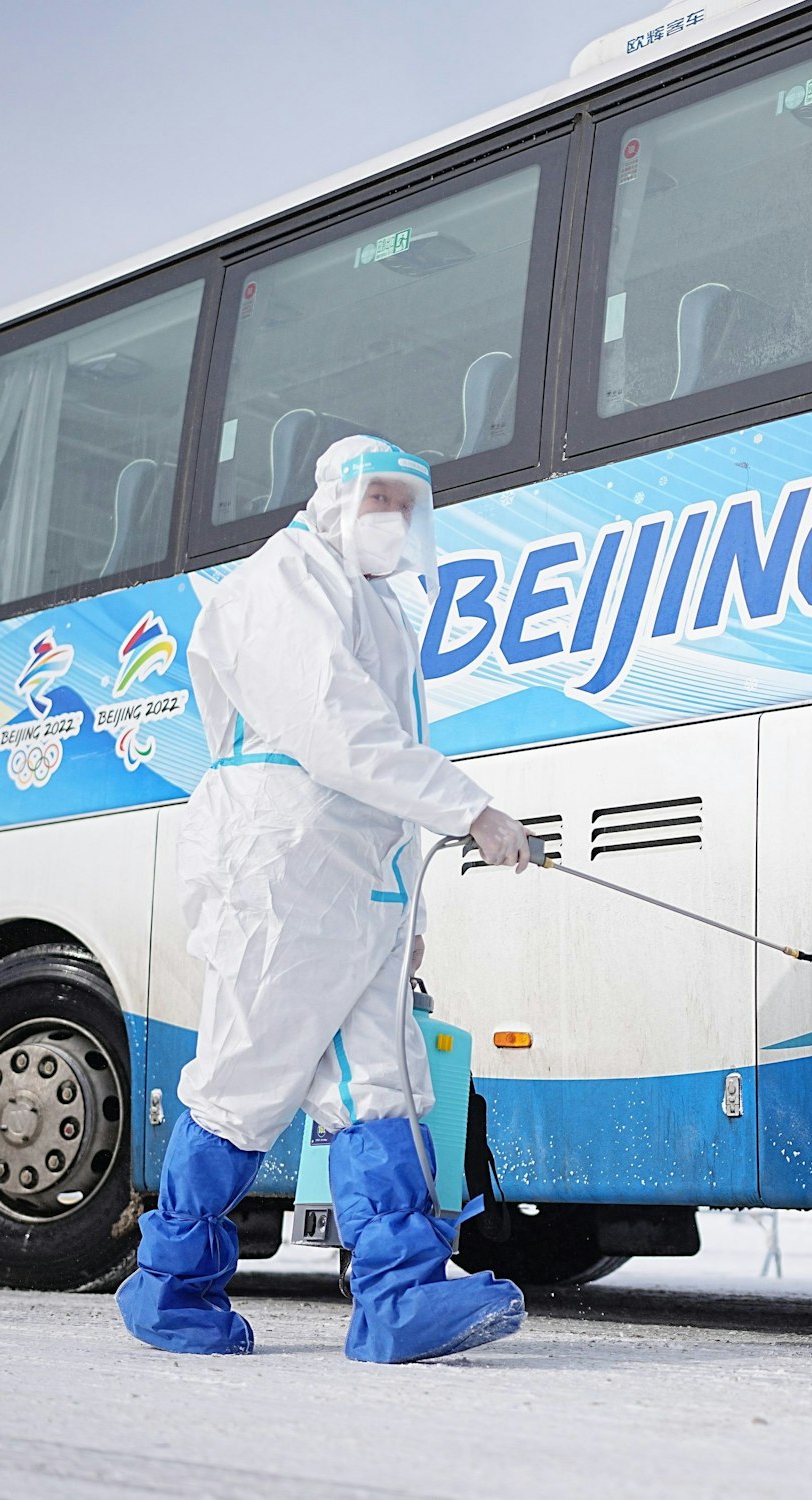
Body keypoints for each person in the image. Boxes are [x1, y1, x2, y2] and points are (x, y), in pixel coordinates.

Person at [117, 434, 533, 1362]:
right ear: (334, 497)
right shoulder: (284, 579)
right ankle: (171, 1290)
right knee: (245, 1081)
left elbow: (379, 774)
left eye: (406, 504)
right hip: (283, 870)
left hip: (359, 882)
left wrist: (407, 915)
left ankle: (399, 1298)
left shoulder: (376, 604)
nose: (395, 518)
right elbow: (334, 729)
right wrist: (471, 811)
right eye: (380, 498)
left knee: (380, 1085)